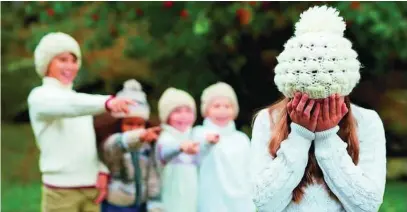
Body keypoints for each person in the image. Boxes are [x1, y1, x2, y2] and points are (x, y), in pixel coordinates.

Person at [250, 5, 386, 212]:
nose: (317, 98)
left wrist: (326, 136)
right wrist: (300, 135)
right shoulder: (268, 119)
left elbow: (366, 206)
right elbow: (266, 204)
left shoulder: (366, 121)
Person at [27, 32, 135, 212]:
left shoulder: (80, 102)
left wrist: (101, 170)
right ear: (47, 63)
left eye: (74, 60)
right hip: (60, 192)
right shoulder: (40, 97)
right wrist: (107, 103)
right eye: (62, 59)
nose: (70, 66)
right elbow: (68, 105)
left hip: (90, 189)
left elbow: (85, 143)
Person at [94, 79, 162, 212]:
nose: (135, 129)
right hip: (117, 205)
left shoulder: (147, 147)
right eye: (129, 124)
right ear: (119, 123)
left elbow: (153, 175)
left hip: (141, 204)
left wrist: (155, 202)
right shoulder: (113, 143)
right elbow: (114, 145)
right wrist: (137, 137)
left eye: (139, 124)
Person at [193, 82, 255, 212]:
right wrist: (207, 143)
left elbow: (250, 169)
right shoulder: (200, 133)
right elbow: (195, 156)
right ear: (206, 110)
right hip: (211, 200)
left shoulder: (241, 138)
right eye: (216, 106)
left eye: (227, 106)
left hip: (240, 202)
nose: (222, 111)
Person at [155, 88, 200, 212]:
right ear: (166, 115)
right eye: (177, 111)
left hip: (191, 200)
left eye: (188, 111)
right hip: (170, 198)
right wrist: (180, 148)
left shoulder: (193, 135)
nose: (183, 116)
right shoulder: (165, 138)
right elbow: (164, 153)